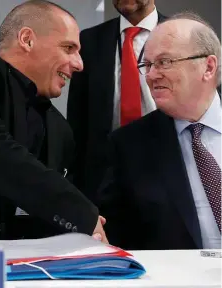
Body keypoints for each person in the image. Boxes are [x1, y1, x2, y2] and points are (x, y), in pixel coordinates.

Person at [98, 12, 221, 250]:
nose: (151, 75)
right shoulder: (129, 145)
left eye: (164, 62)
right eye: (147, 64)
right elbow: (113, 236)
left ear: (208, 67)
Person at [0, 0, 108, 243]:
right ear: (27, 39)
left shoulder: (61, 129)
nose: (79, 64)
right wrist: (79, 213)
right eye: (68, 48)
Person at [67, 0, 166, 203]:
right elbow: (77, 120)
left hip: (165, 168)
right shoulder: (89, 40)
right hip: (102, 179)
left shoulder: (184, 35)